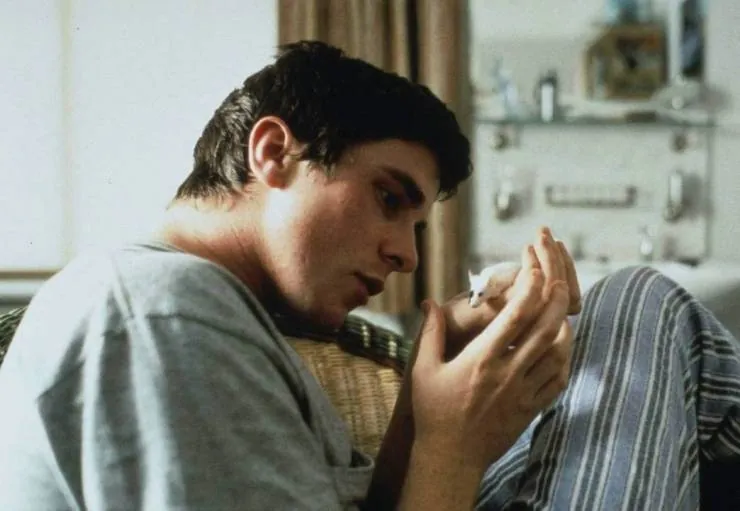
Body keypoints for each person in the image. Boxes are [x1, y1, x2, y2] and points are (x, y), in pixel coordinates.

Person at [0, 40, 738, 510]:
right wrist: (452, 446)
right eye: (389, 199)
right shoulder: (162, 311)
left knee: (634, 316)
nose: (407, 257)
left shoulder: (215, 313)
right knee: (642, 307)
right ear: (273, 153)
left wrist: (424, 392)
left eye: (416, 225)